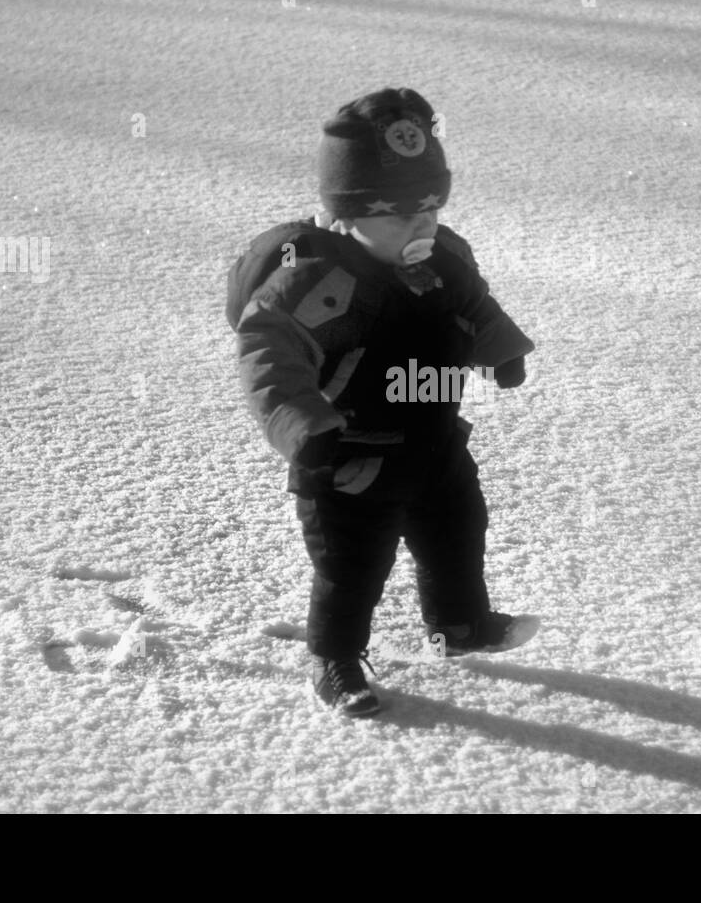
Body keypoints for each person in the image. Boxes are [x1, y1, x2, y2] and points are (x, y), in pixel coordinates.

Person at [227, 87, 535, 717]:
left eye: (430, 207)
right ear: (344, 217)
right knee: (352, 567)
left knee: (458, 533)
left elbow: (474, 306)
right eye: (398, 214)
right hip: (349, 457)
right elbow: (270, 355)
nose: (421, 223)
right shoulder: (316, 280)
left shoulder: (446, 256)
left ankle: (461, 626)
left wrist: (501, 349)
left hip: (437, 441)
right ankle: (335, 660)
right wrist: (303, 426)